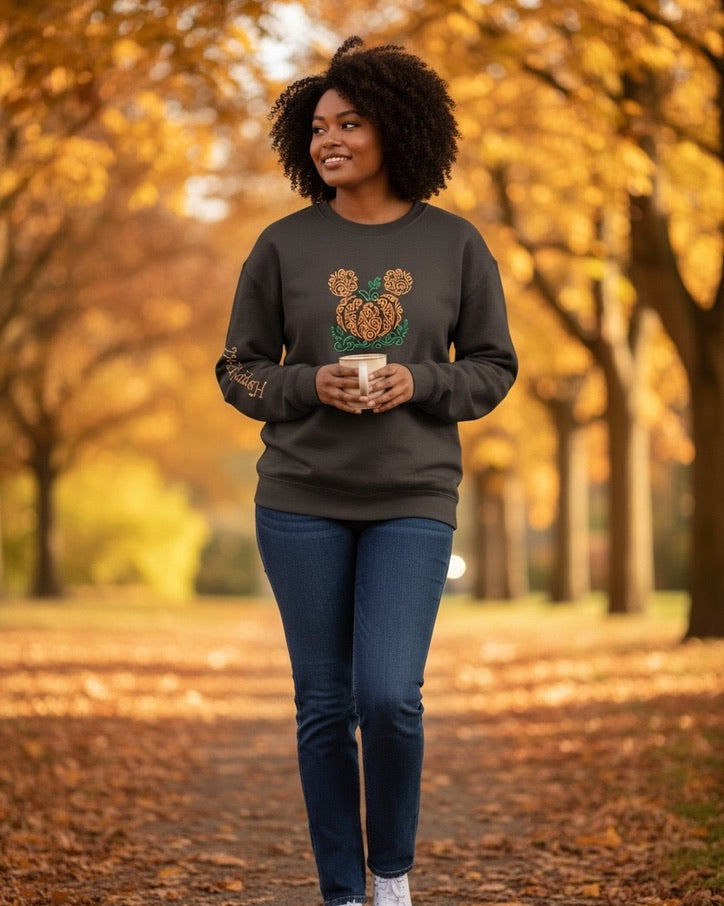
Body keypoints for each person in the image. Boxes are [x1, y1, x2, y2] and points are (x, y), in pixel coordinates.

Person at [216, 36, 517, 906]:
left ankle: (393, 875)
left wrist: (418, 380)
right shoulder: (282, 246)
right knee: (323, 707)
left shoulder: (457, 245)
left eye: (350, 122)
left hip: (413, 499)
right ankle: (344, 892)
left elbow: (494, 367)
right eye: (317, 127)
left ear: (399, 129)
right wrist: (310, 382)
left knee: (389, 698)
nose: (329, 140)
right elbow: (237, 368)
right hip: (301, 500)